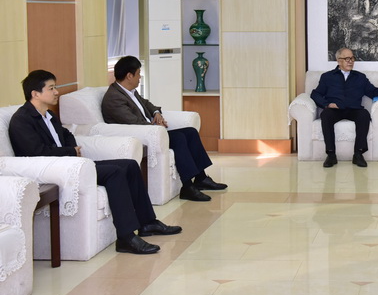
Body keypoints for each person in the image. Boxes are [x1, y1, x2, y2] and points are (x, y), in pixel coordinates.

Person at [9, 70, 182, 255]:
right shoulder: (22, 120)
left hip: (71, 164)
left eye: (55, 87)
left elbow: (67, 134)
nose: (56, 92)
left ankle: (147, 222)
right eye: (51, 88)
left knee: (130, 165)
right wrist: (70, 152)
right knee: (115, 173)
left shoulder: (48, 115)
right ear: (35, 94)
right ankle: (126, 237)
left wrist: (72, 148)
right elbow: (36, 152)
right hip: (55, 170)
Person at [101, 56, 227, 202]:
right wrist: (155, 128)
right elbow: (132, 122)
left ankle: (201, 178)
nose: (140, 77)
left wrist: (156, 113)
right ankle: (187, 187)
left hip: (152, 131)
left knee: (190, 132)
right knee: (179, 138)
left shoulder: (130, 91)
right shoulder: (114, 98)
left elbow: (147, 104)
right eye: (138, 73)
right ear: (129, 76)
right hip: (140, 136)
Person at [311, 47, 378, 168]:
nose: (350, 61)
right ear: (339, 60)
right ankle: (331, 155)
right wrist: (327, 105)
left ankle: (358, 154)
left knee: (364, 115)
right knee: (325, 115)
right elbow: (315, 94)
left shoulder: (360, 77)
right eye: (347, 58)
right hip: (335, 109)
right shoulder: (327, 77)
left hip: (354, 109)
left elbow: (372, 91)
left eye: (352, 58)